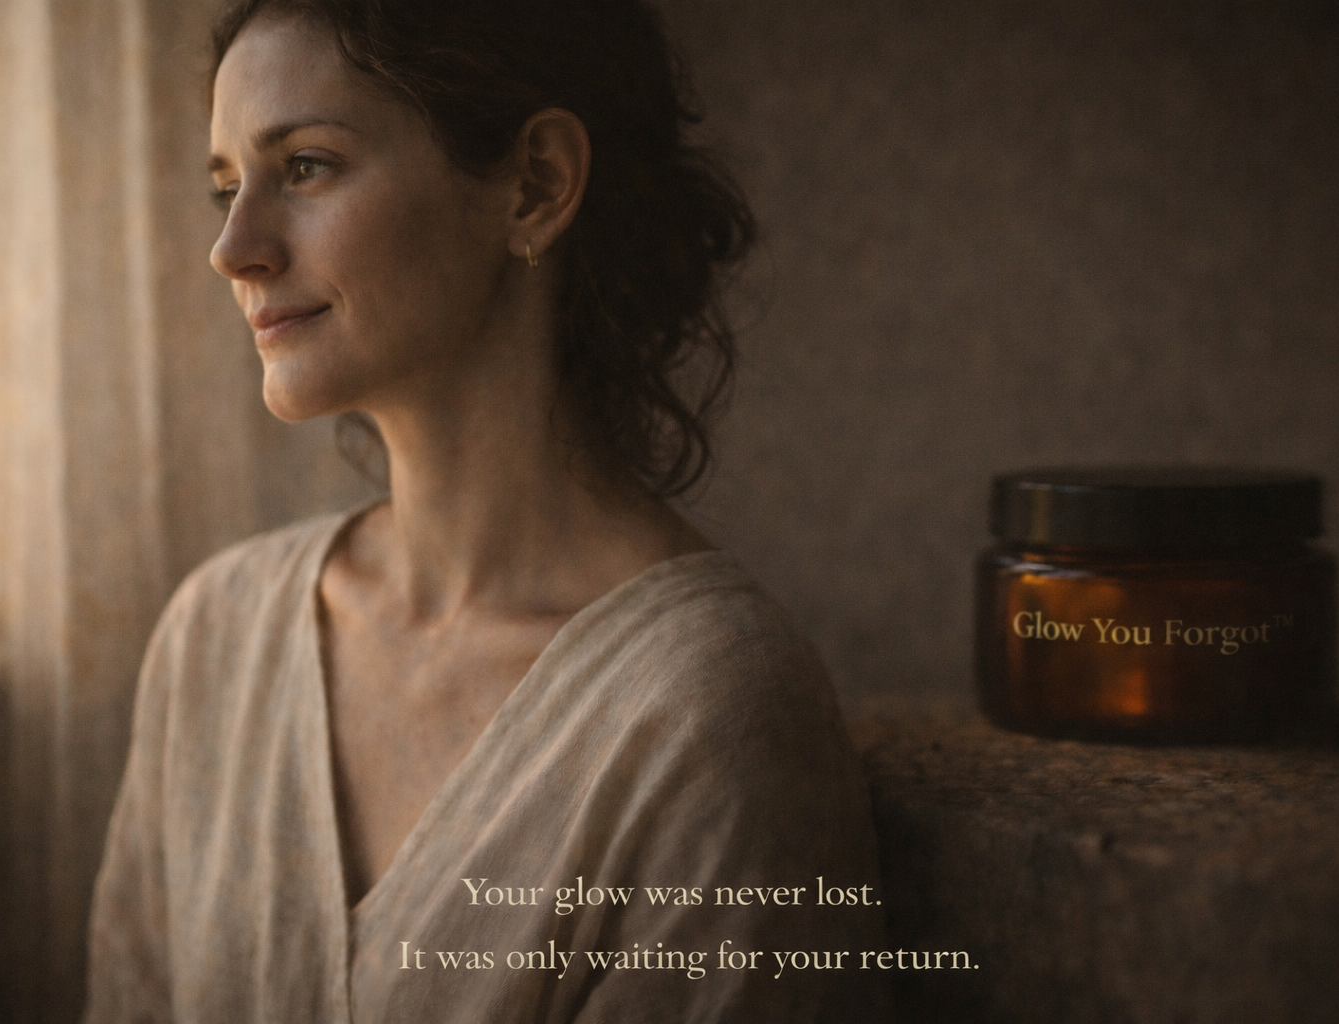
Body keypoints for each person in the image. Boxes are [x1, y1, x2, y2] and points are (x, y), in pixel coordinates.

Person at [83, 1, 891, 1020]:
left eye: (306, 167)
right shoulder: (212, 639)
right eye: (224, 188)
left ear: (535, 185)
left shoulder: (706, 717)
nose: (232, 248)